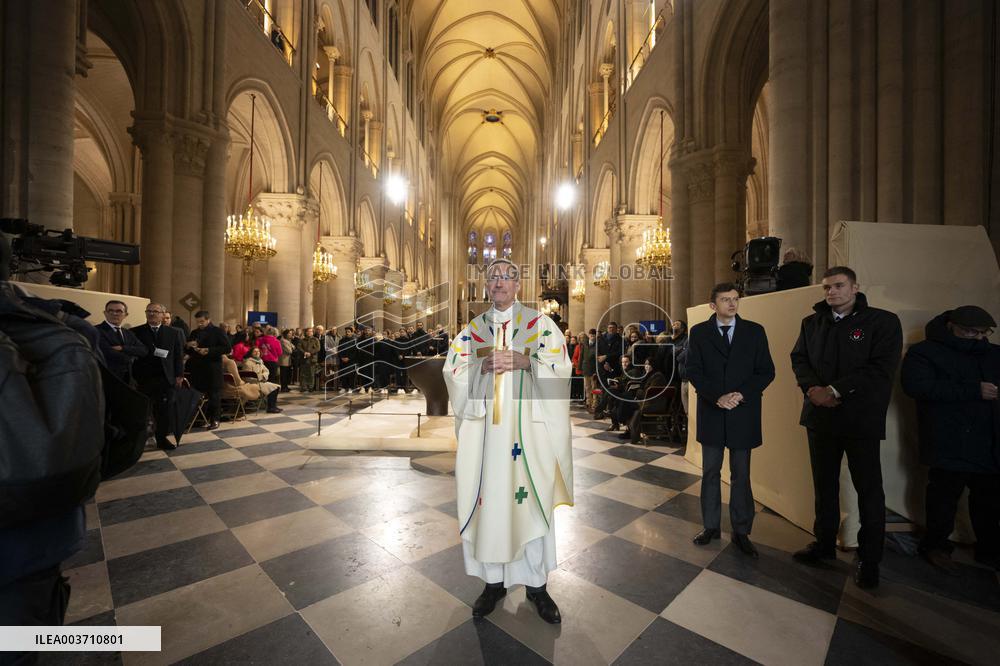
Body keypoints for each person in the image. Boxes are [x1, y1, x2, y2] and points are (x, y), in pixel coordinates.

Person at [443, 258, 572, 625]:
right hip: (485, 440)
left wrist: (526, 361)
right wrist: (478, 368)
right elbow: (452, 370)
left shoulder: (539, 325)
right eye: (493, 278)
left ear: (518, 285)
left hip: (528, 440)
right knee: (489, 506)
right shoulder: (473, 330)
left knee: (529, 503)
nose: (499, 283)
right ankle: (493, 583)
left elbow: (561, 369)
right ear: (486, 285)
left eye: (506, 278)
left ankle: (537, 586)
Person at [790, 266, 902, 589]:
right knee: (824, 487)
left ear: (855, 287)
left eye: (838, 286)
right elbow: (799, 359)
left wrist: (835, 391)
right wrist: (813, 390)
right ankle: (824, 545)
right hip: (820, 418)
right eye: (826, 287)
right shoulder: (812, 323)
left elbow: (880, 369)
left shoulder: (882, 322)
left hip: (860, 420)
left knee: (869, 490)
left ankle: (869, 559)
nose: (831, 293)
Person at [901, 306, 1000, 572]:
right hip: (949, 437)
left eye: (983, 333)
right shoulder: (925, 352)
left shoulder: (994, 353)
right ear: (951, 327)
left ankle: (989, 549)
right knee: (943, 498)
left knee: (988, 500)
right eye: (970, 332)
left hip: (989, 439)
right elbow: (916, 386)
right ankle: (935, 546)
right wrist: (973, 390)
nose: (978, 337)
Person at [686, 283, 775, 558]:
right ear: (713, 305)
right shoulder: (699, 332)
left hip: (743, 412)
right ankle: (710, 526)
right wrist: (717, 397)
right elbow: (694, 371)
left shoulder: (755, 331)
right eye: (726, 300)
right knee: (710, 473)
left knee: (741, 475)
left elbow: (766, 371)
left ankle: (741, 531)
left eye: (735, 299)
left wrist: (739, 395)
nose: (732, 304)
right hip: (712, 411)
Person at [132, 303, 186, 449]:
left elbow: (178, 355)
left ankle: (161, 439)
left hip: (166, 378)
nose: (152, 314)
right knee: (142, 411)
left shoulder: (173, 333)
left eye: (155, 311)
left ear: (163, 315)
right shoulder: (135, 332)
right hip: (144, 378)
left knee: (164, 412)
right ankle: (139, 441)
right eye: (149, 311)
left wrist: (179, 375)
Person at [185, 310, 232, 430]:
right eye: (197, 322)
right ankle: (199, 419)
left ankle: (215, 419)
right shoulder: (194, 332)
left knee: (214, 395)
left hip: (212, 368)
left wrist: (209, 350)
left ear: (208, 320)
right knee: (196, 395)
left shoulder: (217, 331)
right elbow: (188, 351)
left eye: (202, 322)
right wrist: (189, 347)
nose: (199, 324)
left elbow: (227, 348)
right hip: (197, 368)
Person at [95, 299, 147, 383]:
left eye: (119, 311)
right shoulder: (96, 331)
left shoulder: (128, 333)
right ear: (105, 313)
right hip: (106, 378)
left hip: (127, 378)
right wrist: (131, 357)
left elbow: (144, 350)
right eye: (110, 310)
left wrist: (122, 348)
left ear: (125, 315)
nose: (114, 314)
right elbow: (107, 352)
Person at [241, 347, 282, 413]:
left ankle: (272, 406)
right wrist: (260, 377)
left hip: (261, 381)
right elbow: (248, 377)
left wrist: (263, 376)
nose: (257, 353)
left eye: (258, 351)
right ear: (251, 353)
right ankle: (271, 407)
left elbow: (266, 371)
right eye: (255, 351)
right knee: (274, 387)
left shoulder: (260, 361)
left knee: (276, 387)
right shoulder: (248, 362)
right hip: (253, 383)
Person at [580, 329, 598, 411]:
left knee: (594, 387)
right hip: (586, 368)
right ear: (589, 335)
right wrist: (580, 367)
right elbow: (581, 356)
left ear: (595, 336)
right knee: (587, 387)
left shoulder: (598, 344)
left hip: (594, 368)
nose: (592, 337)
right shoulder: (585, 344)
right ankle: (588, 402)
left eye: (593, 335)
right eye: (591, 335)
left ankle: (595, 403)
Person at [298, 327, 321, 392]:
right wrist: (304, 352)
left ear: (312, 332)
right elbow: (299, 347)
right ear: (306, 332)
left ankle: (311, 387)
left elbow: (318, 348)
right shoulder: (302, 340)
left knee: (311, 374)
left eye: (311, 331)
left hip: (312, 359)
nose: (309, 332)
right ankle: (304, 387)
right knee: (303, 374)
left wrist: (310, 353)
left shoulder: (315, 339)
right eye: (308, 331)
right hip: (304, 359)